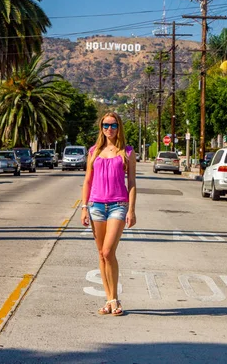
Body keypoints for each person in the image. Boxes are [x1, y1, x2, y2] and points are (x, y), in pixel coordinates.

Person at [81, 111, 136, 316]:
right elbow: (87, 180)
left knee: (108, 252)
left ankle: (114, 299)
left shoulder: (127, 152)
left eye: (113, 125)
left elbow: (131, 183)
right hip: (96, 206)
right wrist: (84, 207)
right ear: (101, 127)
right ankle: (109, 300)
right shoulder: (94, 151)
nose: (109, 129)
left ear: (119, 127)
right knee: (101, 255)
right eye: (105, 125)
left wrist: (131, 209)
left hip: (118, 205)